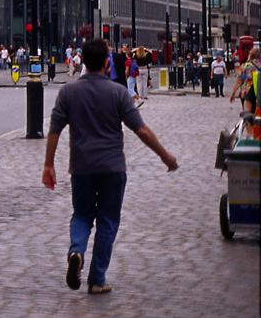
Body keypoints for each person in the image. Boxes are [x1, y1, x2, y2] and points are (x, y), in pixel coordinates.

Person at [42, 39, 177, 295]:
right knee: (107, 221)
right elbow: (141, 130)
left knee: (81, 215)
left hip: (81, 168)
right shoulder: (118, 93)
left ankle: (76, 251)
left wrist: (48, 165)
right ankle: (97, 280)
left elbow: (54, 130)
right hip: (112, 168)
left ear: (83, 62)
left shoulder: (68, 93)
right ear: (107, 63)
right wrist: (164, 156)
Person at [228, 46, 259, 114]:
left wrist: (233, 93)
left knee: (248, 115)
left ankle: (248, 123)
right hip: (259, 92)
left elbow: (239, 81)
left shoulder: (245, 66)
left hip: (246, 92)